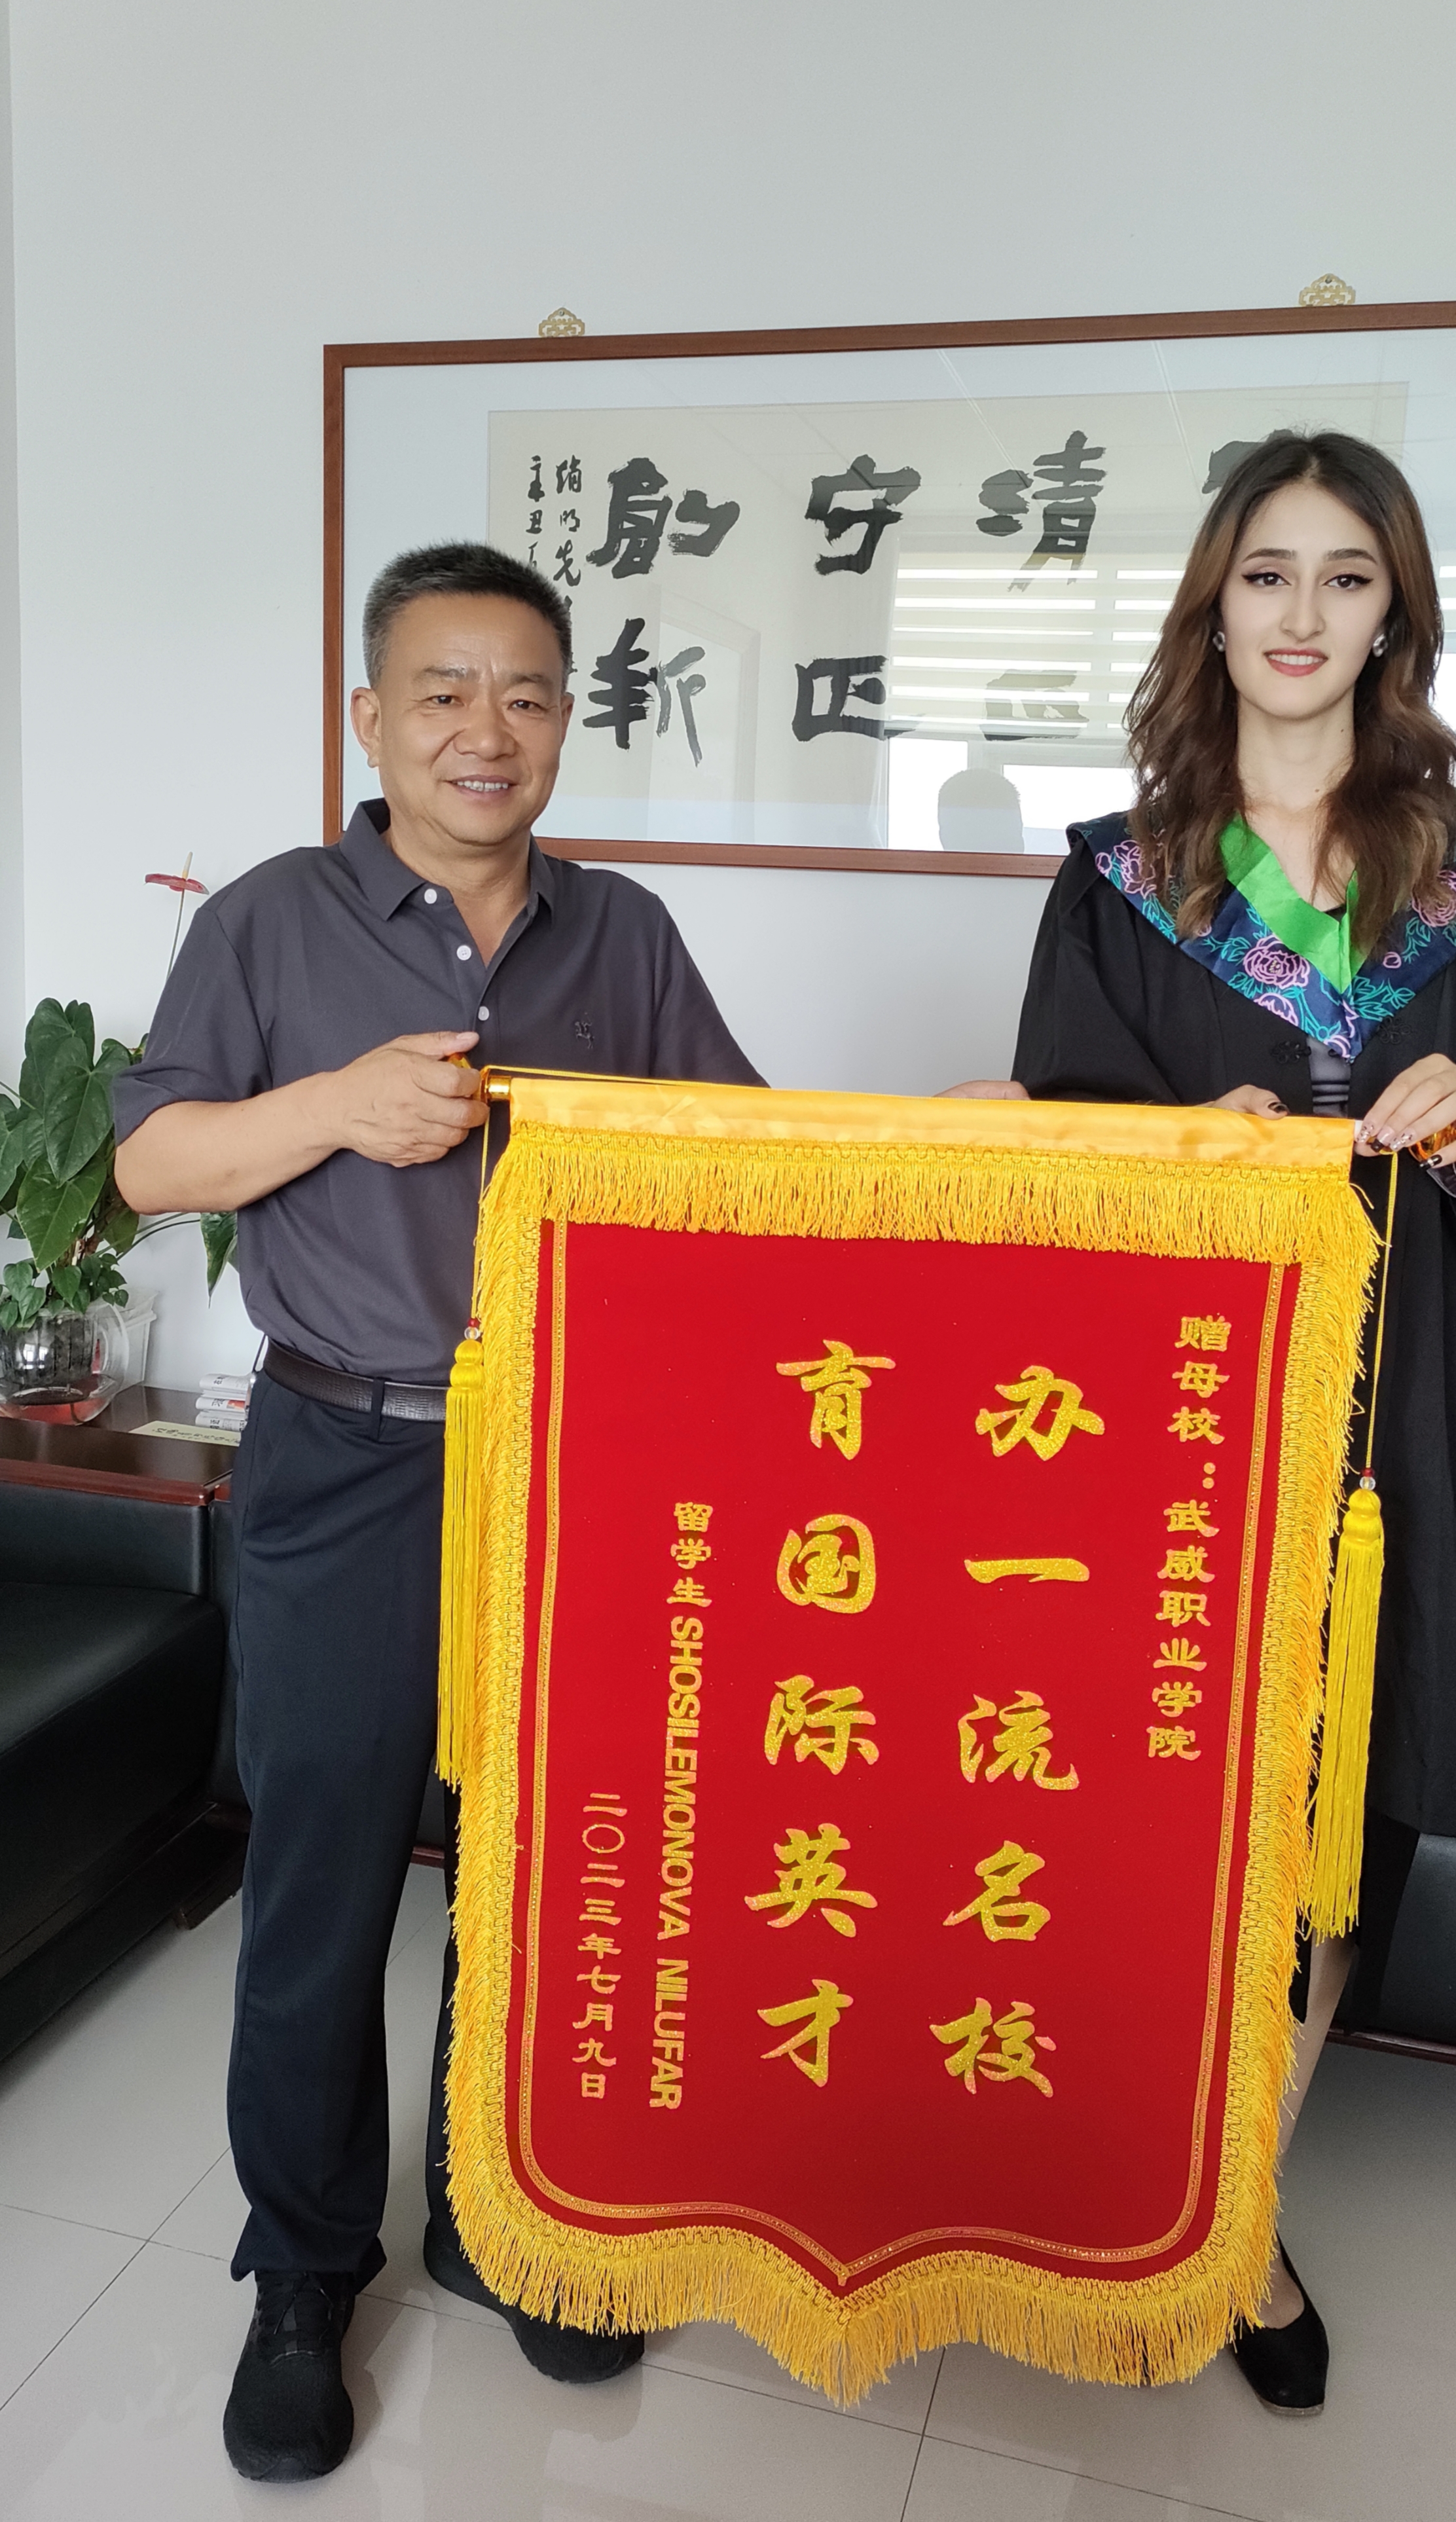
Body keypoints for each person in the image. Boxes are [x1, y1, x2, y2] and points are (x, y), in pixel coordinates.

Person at [944, 430, 1456, 2414]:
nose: (1303, 613)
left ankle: (1231, 2207)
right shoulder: (1123, 881)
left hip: (1390, 1426)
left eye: (1348, 576)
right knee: (1154, 1811)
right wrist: (1176, 1151)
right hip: (1167, 1434)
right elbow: (1053, 1170)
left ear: (1396, 612)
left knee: (1341, 1823)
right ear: (1215, 600)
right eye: (1267, 572)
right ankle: (1136, 2178)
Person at [112, 542, 762, 2484]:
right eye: (446, 690)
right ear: (371, 717)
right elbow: (150, 1160)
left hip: (575, 1464)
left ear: (567, 722)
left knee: (548, 1864)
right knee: (321, 1875)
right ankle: (305, 2270)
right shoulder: (269, 920)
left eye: (529, 694)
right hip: (345, 1455)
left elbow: (739, 1150)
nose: (490, 730)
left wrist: (981, 1123)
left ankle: (501, 2210)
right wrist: (333, 1106)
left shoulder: (622, 931)